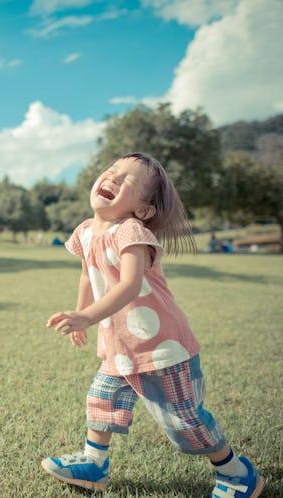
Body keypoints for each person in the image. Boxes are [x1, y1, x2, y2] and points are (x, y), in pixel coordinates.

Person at [41, 152, 263, 497]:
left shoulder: (131, 231)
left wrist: (87, 316)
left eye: (127, 179)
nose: (113, 177)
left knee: (184, 422)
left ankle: (237, 473)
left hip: (161, 347)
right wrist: (81, 313)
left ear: (143, 210)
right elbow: (87, 275)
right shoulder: (85, 231)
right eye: (111, 171)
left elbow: (129, 285)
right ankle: (93, 464)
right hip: (121, 346)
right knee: (101, 402)